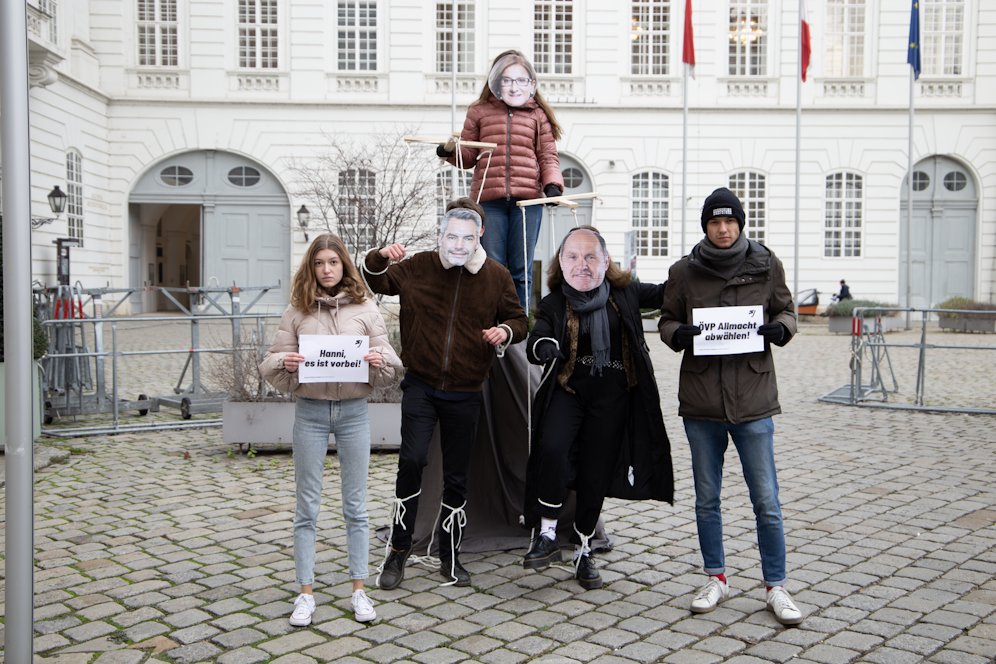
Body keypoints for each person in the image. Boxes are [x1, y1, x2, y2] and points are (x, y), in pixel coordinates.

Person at [363, 200, 529, 589]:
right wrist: (379, 257)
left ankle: (450, 554)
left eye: (467, 238)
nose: (458, 244)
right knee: (412, 460)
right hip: (421, 384)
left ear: (479, 237)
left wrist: (504, 331)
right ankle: (399, 551)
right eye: (451, 236)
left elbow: (519, 319)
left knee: (457, 476)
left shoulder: (496, 275)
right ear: (441, 235)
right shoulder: (419, 265)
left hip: (467, 391)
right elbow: (378, 281)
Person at [658, 187, 804, 625]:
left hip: (754, 400)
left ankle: (776, 585)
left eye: (730, 221)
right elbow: (666, 319)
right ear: (705, 226)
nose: (723, 229)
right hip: (702, 401)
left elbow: (788, 312)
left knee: (767, 500)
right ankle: (716, 577)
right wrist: (676, 335)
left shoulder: (766, 263)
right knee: (707, 498)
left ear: (740, 224)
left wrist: (781, 330)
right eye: (715, 222)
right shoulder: (683, 271)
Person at [259, 233, 403, 626]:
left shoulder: (365, 308)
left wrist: (378, 361)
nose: (326, 269)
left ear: (344, 266)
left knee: (355, 506)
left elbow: (392, 365)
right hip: (309, 412)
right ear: (312, 266)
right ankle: (305, 594)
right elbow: (270, 362)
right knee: (307, 506)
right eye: (320, 263)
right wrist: (285, 363)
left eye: (333, 263)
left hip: (354, 412)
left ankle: (359, 590)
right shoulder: (296, 310)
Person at [523, 227, 673, 589]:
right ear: (561, 262)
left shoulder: (627, 293)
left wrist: (696, 264)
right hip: (569, 389)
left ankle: (585, 550)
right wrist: (545, 348)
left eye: (591, 256)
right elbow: (537, 335)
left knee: (596, 472)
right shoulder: (555, 301)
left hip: (613, 396)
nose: (582, 265)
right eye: (573, 256)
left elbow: (672, 292)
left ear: (606, 261)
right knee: (553, 447)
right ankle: (546, 535)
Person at [437, 50, 564, 309]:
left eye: (520, 80)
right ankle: (490, 325)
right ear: (495, 83)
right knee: (491, 265)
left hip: (527, 203)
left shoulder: (537, 115)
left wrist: (552, 185)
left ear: (531, 84)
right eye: (506, 80)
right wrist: (450, 153)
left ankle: (516, 331)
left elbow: (548, 155)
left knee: (521, 269)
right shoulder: (479, 111)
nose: (513, 86)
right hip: (489, 201)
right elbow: (469, 156)